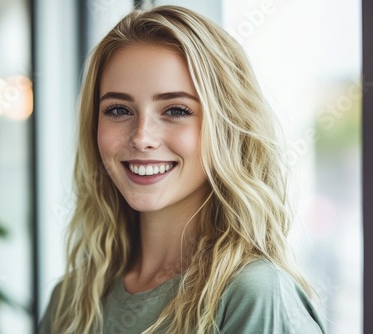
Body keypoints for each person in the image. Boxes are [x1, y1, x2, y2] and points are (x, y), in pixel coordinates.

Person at [39, 5, 326, 334]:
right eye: (118, 109)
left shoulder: (252, 294)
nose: (142, 137)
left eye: (176, 109)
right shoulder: (71, 299)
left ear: (227, 127)